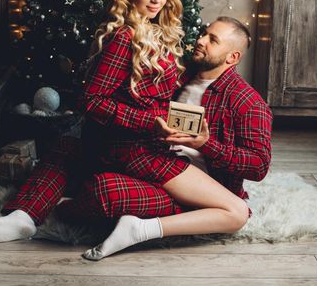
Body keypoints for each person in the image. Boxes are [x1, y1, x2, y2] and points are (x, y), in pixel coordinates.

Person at [0, 0, 190, 244]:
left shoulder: (161, 35)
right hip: (129, 144)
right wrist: (149, 122)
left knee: (68, 150)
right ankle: (23, 217)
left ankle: (35, 214)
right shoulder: (125, 37)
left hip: (149, 143)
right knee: (71, 149)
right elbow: (92, 101)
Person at [68, 16, 273, 260]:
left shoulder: (248, 103)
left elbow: (258, 166)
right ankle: (194, 216)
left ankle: (147, 227)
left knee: (106, 191)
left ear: (232, 57)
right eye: (204, 33)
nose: (200, 40)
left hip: (202, 184)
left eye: (212, 40)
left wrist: (206, 146)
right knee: (91, 172)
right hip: (155, 163)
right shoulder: (177, 77)